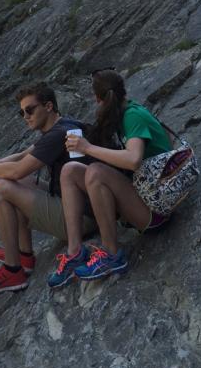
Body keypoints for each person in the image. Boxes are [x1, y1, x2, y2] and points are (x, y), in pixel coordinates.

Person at [0, 83, 96, 295]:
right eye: (22, 113)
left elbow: (17, 170)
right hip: (81, 207)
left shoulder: (58, 134)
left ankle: (13, 271)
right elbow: (21, 156)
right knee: (18, 182)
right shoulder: (62, 126)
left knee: (2, 189)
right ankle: (24, 256)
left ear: (48, 106)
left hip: (82, 220)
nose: (25, 117)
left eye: (29, 110)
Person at [48, 70, 172, 286]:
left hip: (157, 208)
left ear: (98, 99)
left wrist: (87, 148)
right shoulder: (122, 114)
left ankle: (111, 255)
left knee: (95, 172)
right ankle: (75, 252)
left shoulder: (132, 115)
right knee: (69, 171)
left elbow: (133, 160)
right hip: (144, 193)